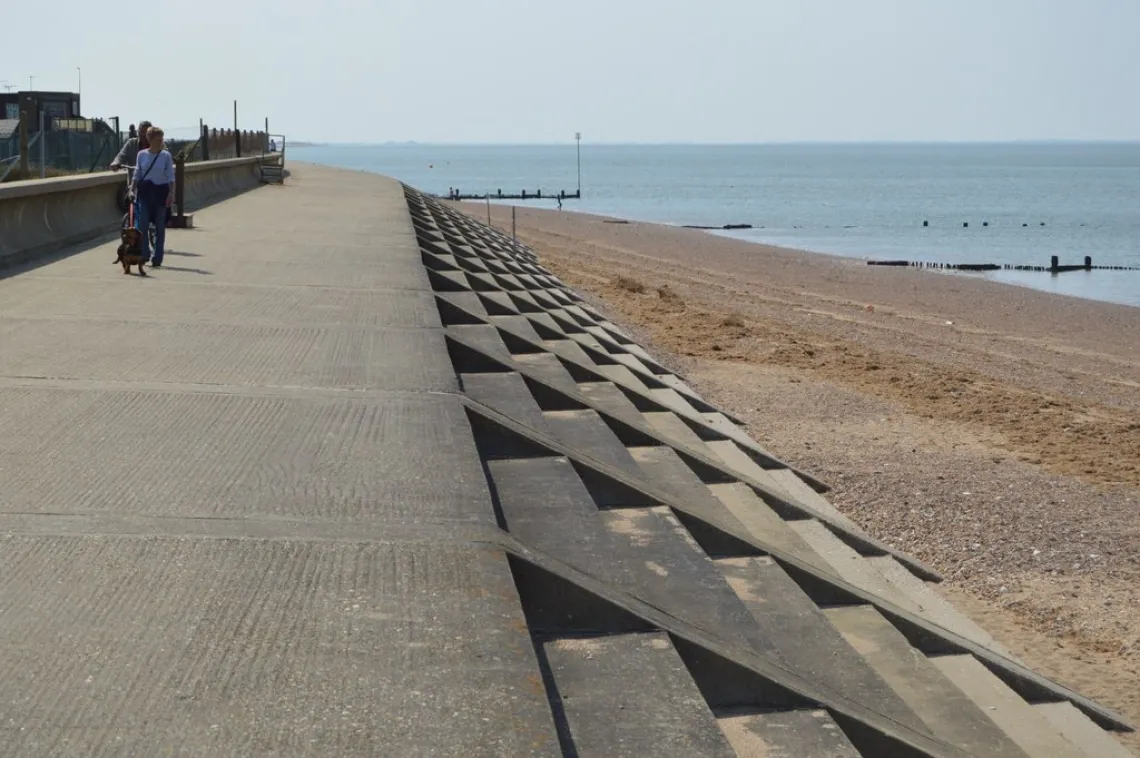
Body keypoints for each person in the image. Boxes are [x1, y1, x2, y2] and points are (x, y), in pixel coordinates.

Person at [133, 126, 175, 267]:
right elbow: (137, 173)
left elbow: (170, 176)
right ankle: (145, 253)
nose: (161, 141)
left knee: (160, 227)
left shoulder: (166, 156)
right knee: (142, 224)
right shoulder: (142, 155)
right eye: (158, 139)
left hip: (160, 192)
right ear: (150, 140)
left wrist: (171, 193)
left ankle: (157, 257)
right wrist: (132, 189)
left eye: (162, 139)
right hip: (145, 192)